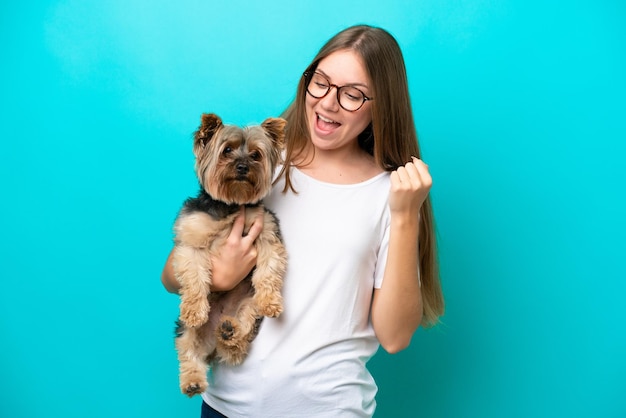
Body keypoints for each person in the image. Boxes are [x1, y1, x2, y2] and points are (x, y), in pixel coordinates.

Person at [161, 24, 444, 418]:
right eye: (321, 83)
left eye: (352, 95)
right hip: (225, 409)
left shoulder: (390, 194)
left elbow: (395, 337)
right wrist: (220, 275)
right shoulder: (260, 166)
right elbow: (171, 276)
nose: (328, 103)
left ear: (382, 105)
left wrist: (406, 215)